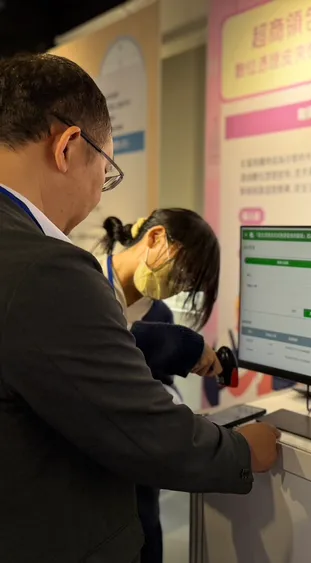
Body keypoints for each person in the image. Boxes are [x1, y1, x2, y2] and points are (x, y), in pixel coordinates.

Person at [0, 53, 281, 563]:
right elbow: (143, 431)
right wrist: (242, 451)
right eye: (106, 174)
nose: (96, 197)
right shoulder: (48, 269)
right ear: (68, 147)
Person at [96, 210, 226, 563]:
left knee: (146, 531)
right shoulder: (85, 286)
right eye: (181, 274)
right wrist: (182, 346)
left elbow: (156, 389)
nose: (179, 287)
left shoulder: (160, 315)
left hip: (138, 462)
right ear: (155, 238)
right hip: (91, 467)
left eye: (188, 284)